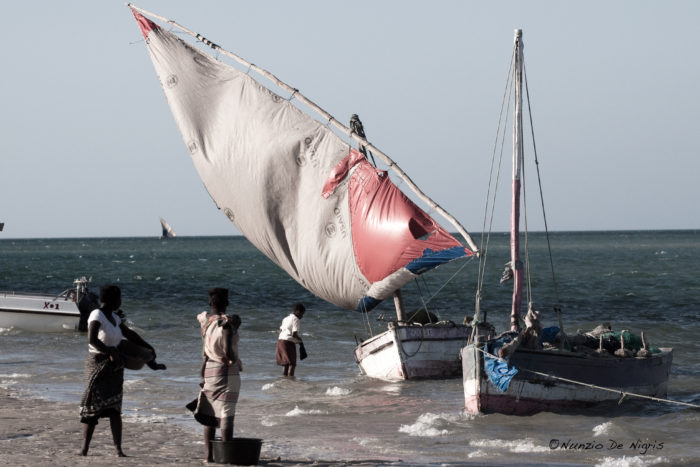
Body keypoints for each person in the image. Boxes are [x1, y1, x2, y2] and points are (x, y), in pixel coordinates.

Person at [79, 285, 164, 457]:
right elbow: (92, 339)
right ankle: (84, 449)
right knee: (92, 409)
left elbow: (130, 334)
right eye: (119, 298)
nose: (120, 301)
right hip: (97, 365)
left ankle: (118, 449)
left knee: (115, 409)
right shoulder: (97, 315)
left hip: (115, 367)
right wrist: (110, 351)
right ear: (112, 299)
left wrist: (148, 348)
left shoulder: (115, 318)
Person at [186, 287, 242, 463]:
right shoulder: (226, 324)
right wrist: (233, 359)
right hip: (226, 370)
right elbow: (227, 352)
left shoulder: (205, 321)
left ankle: (208, 456)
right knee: (226, 412)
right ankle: (226, 456)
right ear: (226, 302)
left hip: (209, 369)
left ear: (210, 302)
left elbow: (203, 317)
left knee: (209, 412)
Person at [275, 303, 306, 377]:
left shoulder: (285, 318)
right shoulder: (296, 319)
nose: (302, 316)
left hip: (280, 341)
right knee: (292, 364)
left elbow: (280, 330)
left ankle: (284, 380)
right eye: (302, 314)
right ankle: (290, 382)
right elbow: (294, 334)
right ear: (298, 312)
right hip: (288, 342)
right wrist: (300, 340)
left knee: (285, 364)